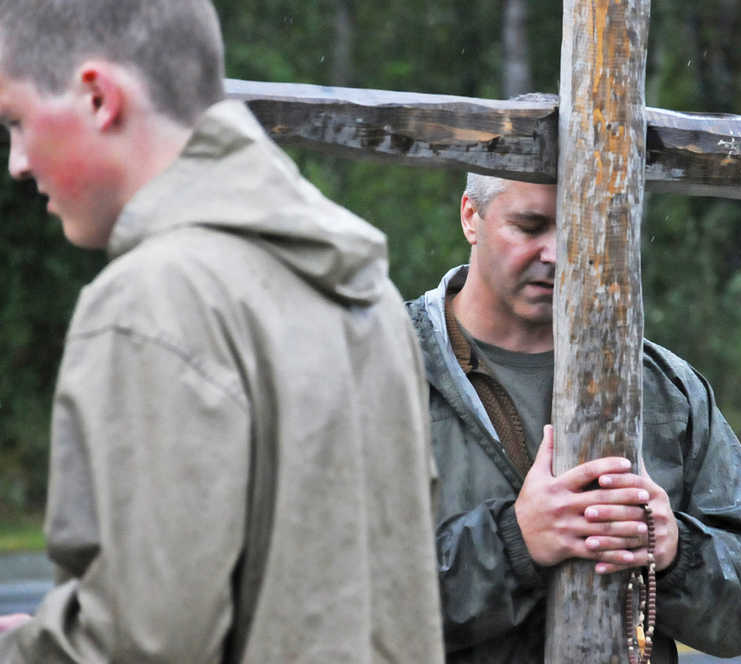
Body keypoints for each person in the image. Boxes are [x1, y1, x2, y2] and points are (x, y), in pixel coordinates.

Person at [0, 1, 444, 662]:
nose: (16, 162)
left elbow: (146, 644)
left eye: (17, 121)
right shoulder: (371, 297)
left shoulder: (154, 300)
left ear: (98, 97)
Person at [407, 173, 741, 663]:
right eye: (530, 226)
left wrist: (676, 552)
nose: (554, 254)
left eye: (576, 231)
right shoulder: (386, 372)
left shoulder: (660, 385)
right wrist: (513, 543)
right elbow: (335, 599)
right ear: (471, 216)